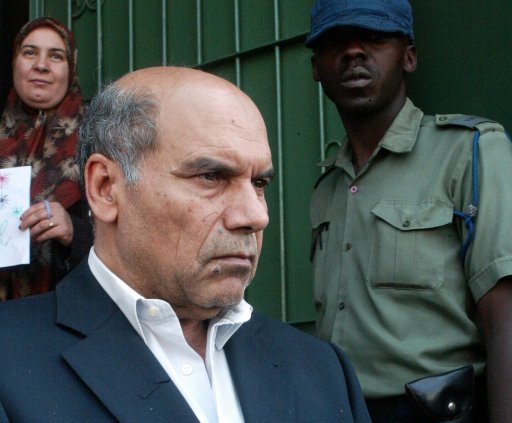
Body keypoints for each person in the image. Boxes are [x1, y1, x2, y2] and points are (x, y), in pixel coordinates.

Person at [0, 66, 371, 422]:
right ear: (106, 188)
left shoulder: (323, 370)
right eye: (210, 176)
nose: (256, 215)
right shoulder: (11, 359)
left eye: (259, 183)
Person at [306, 1, 512, 422]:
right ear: (316, 68)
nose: (353, 52)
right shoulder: (328, 188)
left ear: (410, 57)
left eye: (375, 38)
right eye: (335, 42)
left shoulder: (469, 152)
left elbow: (505, 312)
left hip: (437, 410)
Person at [0, 17, 91, 300]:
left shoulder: (99, 140)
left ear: (70, 68)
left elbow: (133, 237)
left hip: (71, 308)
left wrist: (73, 231)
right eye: (29, 52)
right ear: (14, 63)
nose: (41, 65)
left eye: (56, 56)